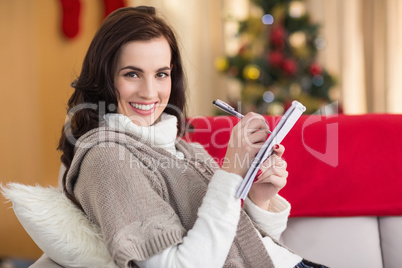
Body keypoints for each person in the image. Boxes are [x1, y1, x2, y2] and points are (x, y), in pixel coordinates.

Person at [58, 6, 326, 268]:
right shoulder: (106, 159)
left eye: (161, 74)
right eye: (132, 74)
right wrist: (231, 171)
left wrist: (260, 198)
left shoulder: (186, 150)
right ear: (104, 77)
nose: (150, 92)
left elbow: (244, 250)